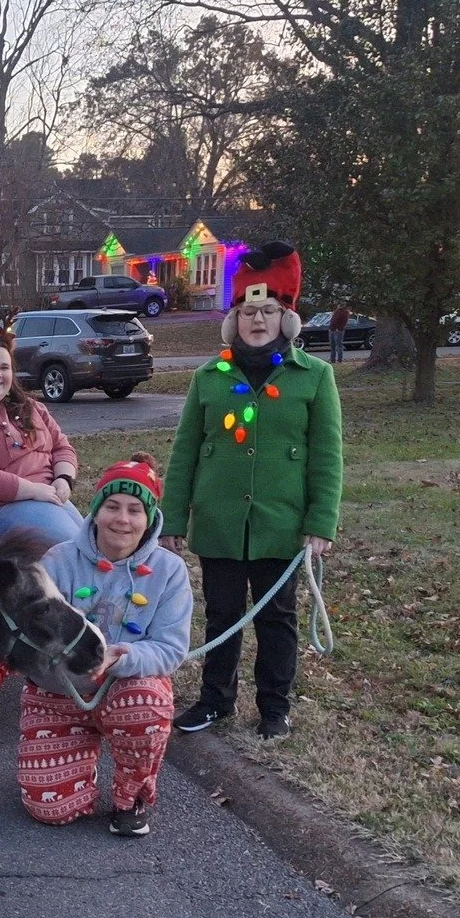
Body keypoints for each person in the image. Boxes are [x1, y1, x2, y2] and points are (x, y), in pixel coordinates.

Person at [161, 240, 342, 740]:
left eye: (267, 312)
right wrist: (172, 518)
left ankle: (273, 708)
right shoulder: (207, 378)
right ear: (234, 320)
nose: (256, 321)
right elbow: (186, 453)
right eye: (247, 312)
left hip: (280, 523)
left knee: (276, 619)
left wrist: (320, 522)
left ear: (284, 319)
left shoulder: (315, 378)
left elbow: (327, 457)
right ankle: (215, 701)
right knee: (221, 614)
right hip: (219, 520)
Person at [17, 457, 192, 837]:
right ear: (95, 512)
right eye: (112, 506)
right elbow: (31, 643)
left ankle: (132, 797)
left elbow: (170, 647)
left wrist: (120, 660)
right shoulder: (57, 561)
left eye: (135, 510)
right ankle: (80, 757)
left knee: (147, 702)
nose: (122, 519)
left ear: (149, 518)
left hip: (126, 687)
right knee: (51, 808)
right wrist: (74, 661)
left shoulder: (169, 571)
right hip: (60, 689)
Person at [0, 335, 81, 546]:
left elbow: (62, 447)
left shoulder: (32, 408)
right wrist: (33, 490)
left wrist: (64, 479)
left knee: (92, 545)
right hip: (0, 507)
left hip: (50, 495)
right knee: (67, 545)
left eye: (4, 367)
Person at [328, 301, 350, 366]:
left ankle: (339, 360)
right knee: (332, 345)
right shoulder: (336, 311)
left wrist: (339, 329)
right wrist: (330, 329)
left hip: (338, 331)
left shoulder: (345, 312)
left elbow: (344, 322)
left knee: (339, 345)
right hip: (332, 330)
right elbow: (333, 320)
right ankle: (332, 359)